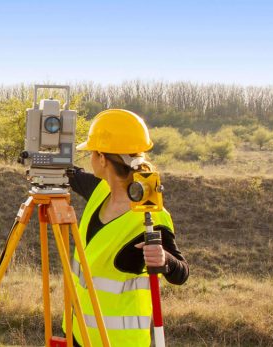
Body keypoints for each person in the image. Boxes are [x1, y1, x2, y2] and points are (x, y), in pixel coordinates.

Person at [65, 109, 190, 347]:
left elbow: (181, 273)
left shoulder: (151, 216)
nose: (89, 158)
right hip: (79, 332)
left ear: (102, 158)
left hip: (120, 341)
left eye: (91, 153)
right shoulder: (100, 190)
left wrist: (164, 260)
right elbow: (73, 174)